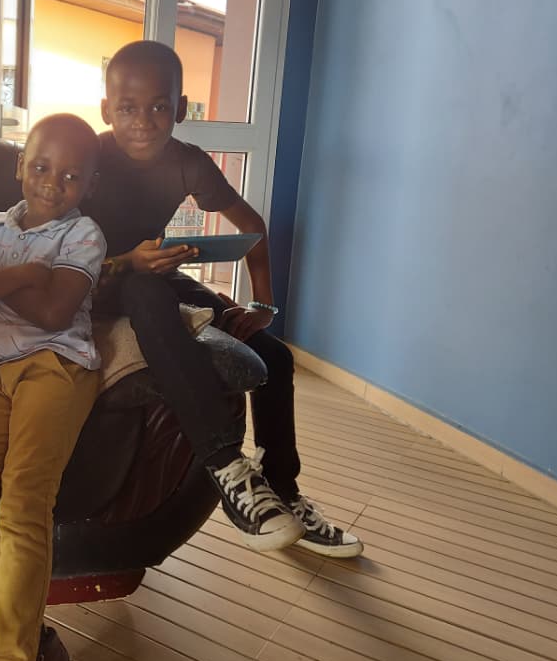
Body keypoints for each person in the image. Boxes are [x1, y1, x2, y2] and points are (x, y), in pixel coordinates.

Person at [85, 40, 362, 558]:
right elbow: (51, 251)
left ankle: (282, 490)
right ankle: (226, 464)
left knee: (274, 357)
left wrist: (263, 305)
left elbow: (252, 226)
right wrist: (127, 262)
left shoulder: (187, 163)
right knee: (145, 286)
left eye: (158, 107)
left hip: (154, 277)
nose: (142, 121)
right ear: (106, 110)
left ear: (180, 108)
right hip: (97, 283)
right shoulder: (90, 156)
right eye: (126, 108)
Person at [0, 114, 105, 661]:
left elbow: (55, 314)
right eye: (40, 167)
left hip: (58, 367)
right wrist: (25, 274)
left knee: (23, 500)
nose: (52, 184)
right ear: (20, 166)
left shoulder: (83, 234)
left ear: (89, 185)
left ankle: (12, 658)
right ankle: (32, 645)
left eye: (70, 176)